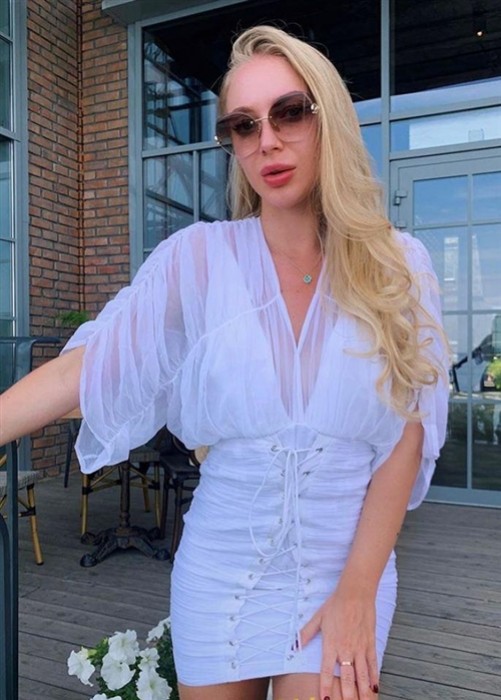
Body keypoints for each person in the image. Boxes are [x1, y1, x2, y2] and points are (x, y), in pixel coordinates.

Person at [0, 24, 449, 700]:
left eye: (288, 112)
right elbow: (87, 371)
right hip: (219, 573)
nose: (267, 140)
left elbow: (406, 435)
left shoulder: (398, 267)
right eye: (243, 125)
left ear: (327, 117)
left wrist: (358, 590)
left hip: (346, 572)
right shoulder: (198, 260)